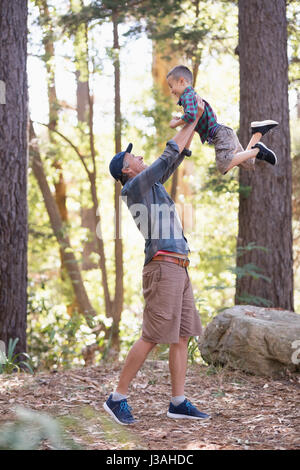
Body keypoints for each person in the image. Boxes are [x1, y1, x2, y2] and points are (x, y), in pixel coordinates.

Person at [104, 99, 211, 425]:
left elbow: (173, 159)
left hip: (179, 265)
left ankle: (177, 402)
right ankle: (116, 398)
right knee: (152, 335)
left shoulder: (151, 186)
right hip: (162, 267)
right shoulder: (135, 188)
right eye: (132, 156)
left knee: (181, 336)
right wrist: (194, 120)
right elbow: (167, 155)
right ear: (126, 170)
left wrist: (192, 125)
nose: (138, 156)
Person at [166, 65, 278, 175]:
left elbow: (190, 116)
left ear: (181, 81)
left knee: (223, 166)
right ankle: (258, 132)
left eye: (171, 86)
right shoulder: (191, 97)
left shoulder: (187, 97)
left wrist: (176, 123)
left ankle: (258, 150)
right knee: (248, 163)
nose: (171, 91)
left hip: (221, 135)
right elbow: (193, 123)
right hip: (224, 133)